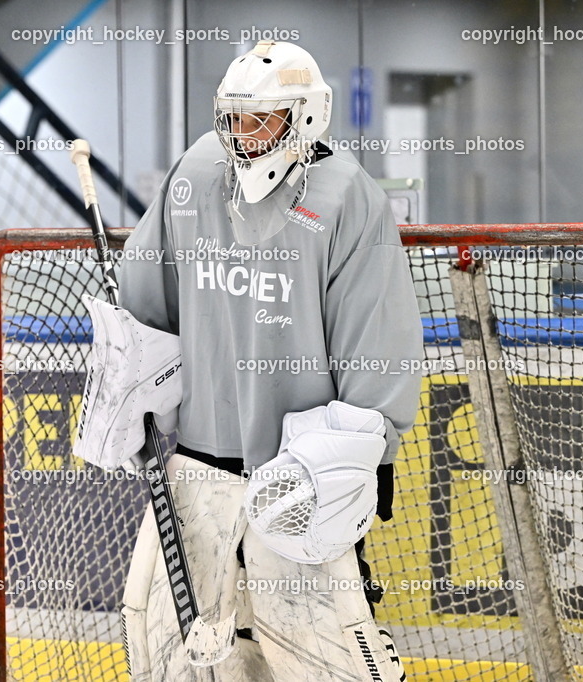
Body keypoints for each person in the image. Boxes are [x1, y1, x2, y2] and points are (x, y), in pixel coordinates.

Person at [113, 40, 422, 681]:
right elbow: (145, 306)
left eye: (262, 120)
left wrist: (370, 451)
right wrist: (130, 387)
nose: (243, 135)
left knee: (319, 662)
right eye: (233, 119)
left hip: (301, 479)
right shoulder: (195, 175)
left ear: (305, 118)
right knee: (175, 658)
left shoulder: (346, 198)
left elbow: (376, 338)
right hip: (199, 471)